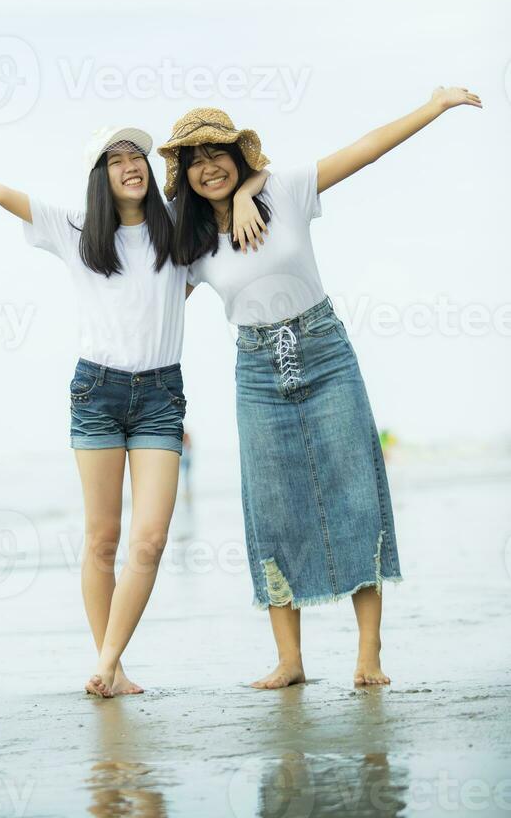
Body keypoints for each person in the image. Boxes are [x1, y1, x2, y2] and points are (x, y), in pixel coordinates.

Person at [0, 125, 265, 698]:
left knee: (151, 539)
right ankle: (115, 666)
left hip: (160, 397)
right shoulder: (75, 229)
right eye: (116, 160)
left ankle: (107, 661)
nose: (131, 165)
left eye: (138, 157)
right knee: (103, 538)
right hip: (97, 394)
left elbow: (236, 175)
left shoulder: (179, 231)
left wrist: (248, 191)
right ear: (99, 178)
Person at [159, 86, 482, 688]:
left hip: (325, 351)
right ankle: (290, 661)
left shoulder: (283, 190)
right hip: (255, 370)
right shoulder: (190, 238)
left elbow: (364, 150)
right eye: (194, 158)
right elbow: (153, 300)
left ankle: (369, 656)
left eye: (218, 153)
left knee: (356, 493)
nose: (208, 166)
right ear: (182, 170)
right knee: (272, 509)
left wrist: (433, 106)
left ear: (239, 155)